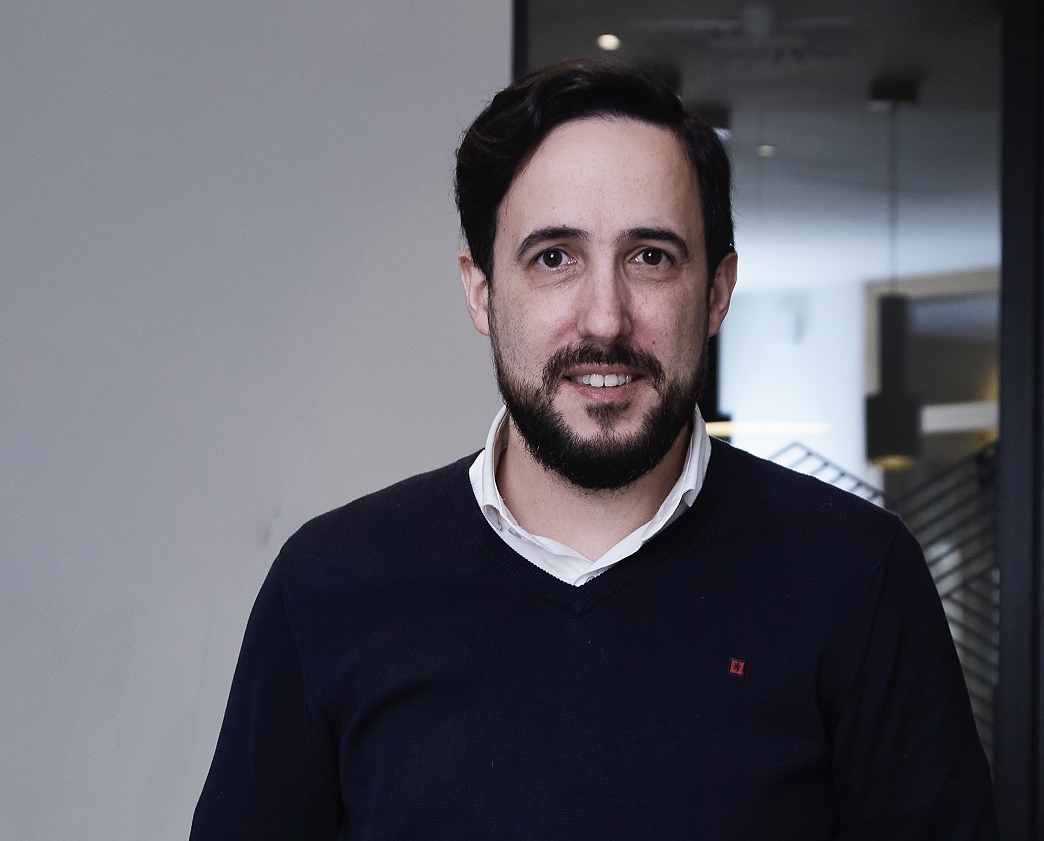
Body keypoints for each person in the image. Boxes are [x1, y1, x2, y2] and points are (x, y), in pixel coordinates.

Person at [191, 58, 998, 840]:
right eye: (554, 258)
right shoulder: (329, 587)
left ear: (716, 292)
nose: (605, 318)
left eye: (651, 257)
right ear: (481, 290)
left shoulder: (858, 577)